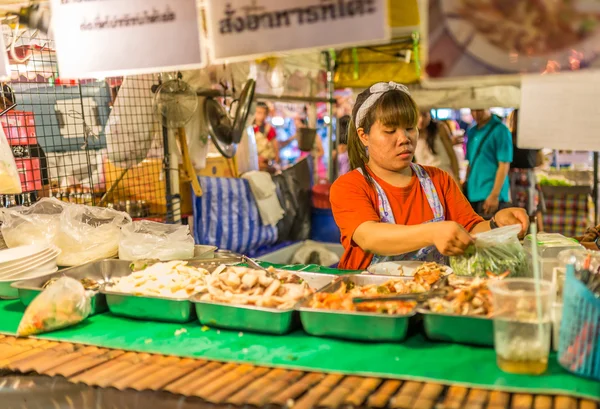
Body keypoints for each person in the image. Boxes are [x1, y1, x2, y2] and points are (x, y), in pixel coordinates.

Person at [329, 82, 528, 270]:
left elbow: (470, 229)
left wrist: (496, 224)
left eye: (409, 127)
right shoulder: (350, 186)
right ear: (364, 136)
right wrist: (434, 233)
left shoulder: (438, 180)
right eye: (390, 130)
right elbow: (369, 237)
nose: (404, 138)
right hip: (369, 300)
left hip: (432, 299)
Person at [465, 109, 513, 219]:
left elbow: (504, 165)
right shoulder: (472, 131)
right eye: (473, 110)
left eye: (480, 110)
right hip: (473, 194)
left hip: (491, 194)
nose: (476, 114)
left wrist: (494, 195)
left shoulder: (501, 130)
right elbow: (470, 163)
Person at [508, 109, 545, 231]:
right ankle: (534, 232)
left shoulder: (509, 137)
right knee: (532, 208)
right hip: (526, 176)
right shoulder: (533, 137)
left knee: (519, 210)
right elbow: (540, 161)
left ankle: (523, 234)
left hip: (514, 177)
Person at [415, 111, 460, 181]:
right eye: (418, 115)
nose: (421, 119)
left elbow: (452, 154)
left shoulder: (439, 128)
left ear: (430, 115)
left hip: (444, 177)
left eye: (424, 115)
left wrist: (457, 177)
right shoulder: (411, 134)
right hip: (425, 180)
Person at [253, 102, 280, 170]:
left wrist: (276, 159)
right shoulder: (250, 128)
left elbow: (275, 145)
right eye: (259, 113)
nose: (262, 116)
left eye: (264, 113)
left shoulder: (269, 128)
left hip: (266, 162)